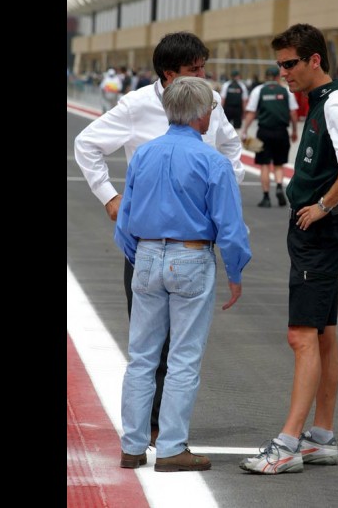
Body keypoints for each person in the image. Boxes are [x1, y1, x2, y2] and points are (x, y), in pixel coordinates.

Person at [74, 31, 244, 450]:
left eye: (204, 69)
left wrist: (220, 190)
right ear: (169, 75)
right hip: (161, 245)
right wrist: (109, 198)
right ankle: (161, 436)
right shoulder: (136, 106)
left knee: (156, 349)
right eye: (194, 71)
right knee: (162, 347)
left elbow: (232, 149)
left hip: (163, 242)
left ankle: (143, 438)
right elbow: (87, 144)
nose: (204, 78)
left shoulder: (211, 103)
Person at [239, 23, 338, 475]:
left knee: (300, 337)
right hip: (318, 231)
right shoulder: (319, 102)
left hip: (321, 231)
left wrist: (322, 204)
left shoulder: (335, 102)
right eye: (279, 65)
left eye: (290, 64)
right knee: (323, 336)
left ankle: (287, 444)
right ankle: (322, 436)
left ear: (315, 59)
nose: (283, 73)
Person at [114, 76, 252, 472]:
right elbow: (230, 225)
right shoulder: (213, 161)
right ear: (200, 114)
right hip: (190, 257)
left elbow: (124, 219)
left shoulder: (144, 154)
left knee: (141, 356)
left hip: (145, 253)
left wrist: (139, 254)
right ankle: (172, 446)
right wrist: (236, 271)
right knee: (183, 357)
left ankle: (133, 445)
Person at [239, 66, 298, 208]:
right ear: (278, 77)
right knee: (278, 164)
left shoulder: (258, 91)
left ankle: (266, 197)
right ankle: (278, 186)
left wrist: (244, 130)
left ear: (266, 77)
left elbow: (251, 113)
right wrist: (294, 131)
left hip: (264, 132)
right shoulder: (286, 91)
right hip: (281, 131)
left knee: (264, 164)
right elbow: (293, 113)